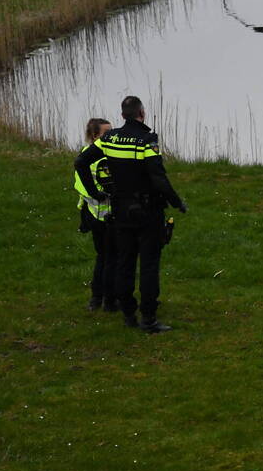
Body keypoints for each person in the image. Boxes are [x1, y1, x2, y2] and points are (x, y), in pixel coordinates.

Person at [74, 96, 187, 333]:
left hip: (120, 210)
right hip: (147, 211)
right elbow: (157, 176)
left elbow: (81, 162)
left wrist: (95, 192)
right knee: (148, 265)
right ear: (142, 113)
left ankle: (127, 311)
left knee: (124, 261)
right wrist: (176, 201)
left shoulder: (109, 138)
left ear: (123, 115)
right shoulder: (146, 140)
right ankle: (148, 318)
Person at [75, 117, 117, 312]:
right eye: (106, 133)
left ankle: (96, 298)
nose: (111, 135)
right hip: (105, 214)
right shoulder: (103, 159)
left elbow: (80, 185)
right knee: (110, 259)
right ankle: (108, 300)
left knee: (102, 257)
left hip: (91, 213)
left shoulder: (84, 155)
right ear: (95, 136)